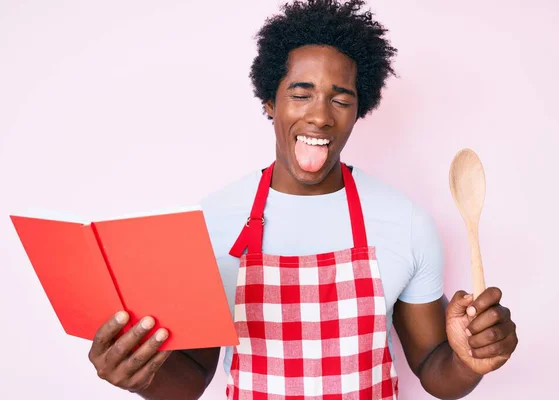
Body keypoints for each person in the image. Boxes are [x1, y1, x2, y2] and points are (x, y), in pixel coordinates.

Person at [87, 1, 518, 399]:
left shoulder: (404, 222)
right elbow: (192, 378)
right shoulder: (212, 221)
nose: (320, 115)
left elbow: (432, 367)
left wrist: (469, 361)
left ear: (358, 109)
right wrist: (140, 373)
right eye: (300, 93)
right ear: (269, 102)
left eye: (341, 98)